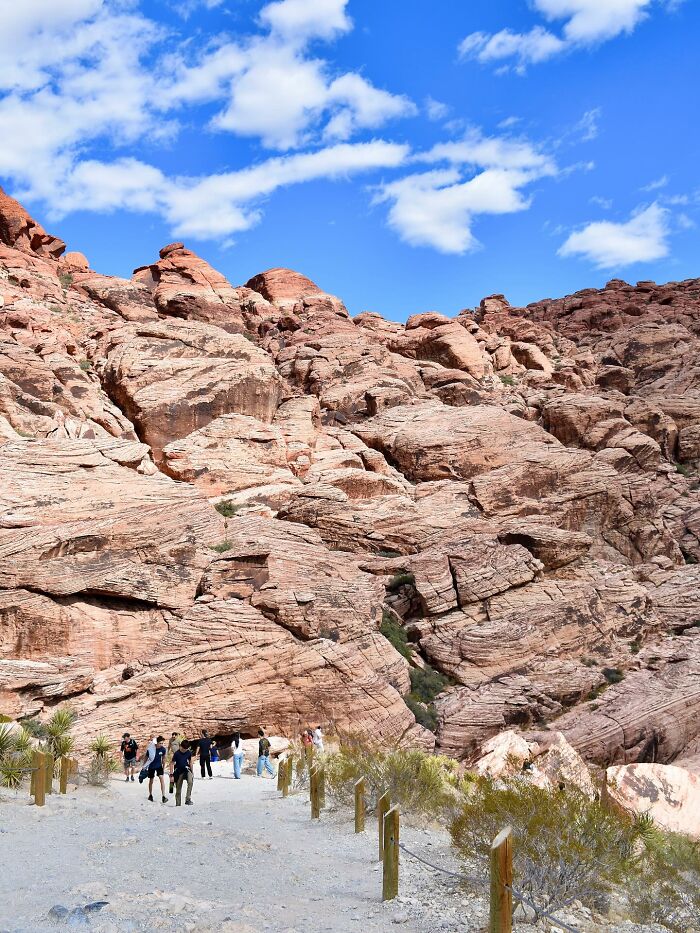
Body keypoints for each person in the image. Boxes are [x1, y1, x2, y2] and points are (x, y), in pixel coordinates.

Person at [172, 739, 194, 806]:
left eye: (186, 749)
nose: (185, 750)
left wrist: (192, 771)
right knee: (178, 789)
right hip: (179, 771)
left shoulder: (188, 752)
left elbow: (190, 761)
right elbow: (171, 763)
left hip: (187, 770)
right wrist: (171, 774)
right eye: (184, 748)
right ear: (181, 746)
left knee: (190, 782)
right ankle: (178, 804)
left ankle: (188, 799)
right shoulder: (176, 754)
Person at [147, 735, 168, 803]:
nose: (161, 744)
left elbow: (164, 758)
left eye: (162, 743)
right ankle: (150, 795)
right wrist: (144, 766)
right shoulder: (151, 748)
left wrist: (163, 767)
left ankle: (163, 796)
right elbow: (146, 757)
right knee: (151, 780)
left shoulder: (163, 749)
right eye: (160, 743)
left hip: (159, 766)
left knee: (161, 779)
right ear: (157, 743)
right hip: (151, 766)